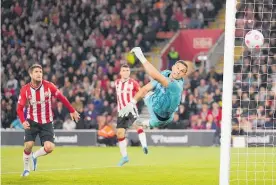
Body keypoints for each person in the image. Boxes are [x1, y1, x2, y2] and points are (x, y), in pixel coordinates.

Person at [17, 64, 80, 177]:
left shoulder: (49, 86)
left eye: (40, 72)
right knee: (28, 145)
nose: (39, 74)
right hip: (32, 121)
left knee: (50, 147)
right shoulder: (25, 90)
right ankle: (26, 169)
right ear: (31, 74)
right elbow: (19, 108)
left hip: (46, 122)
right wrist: (22, 121)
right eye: (36, 71)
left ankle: (34, 156)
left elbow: (62, 98)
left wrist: (72, 110)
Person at [119, 47, 188, 134]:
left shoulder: (176, 86)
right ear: (173, 67)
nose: (178, 72)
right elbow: (146, 88)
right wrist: (132, 103)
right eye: (178, 68)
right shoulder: (165, 73)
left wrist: (141, 57)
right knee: (138, 88)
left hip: (161, 118)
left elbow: (155, 76)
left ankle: (141, 124)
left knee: (143, 123)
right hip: (152, 100)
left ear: (184, 74)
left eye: (182, 71)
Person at [115, 64, 148, 166]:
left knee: (137, 125)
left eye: (127, 70)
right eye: (124, 70)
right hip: (121, 112)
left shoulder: (133, 83)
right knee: (120, 133)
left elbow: (141, 92)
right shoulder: (116, 83)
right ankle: (125, 157)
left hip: (131, 109)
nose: (126, 72)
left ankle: (144, 146)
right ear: (120, 72)